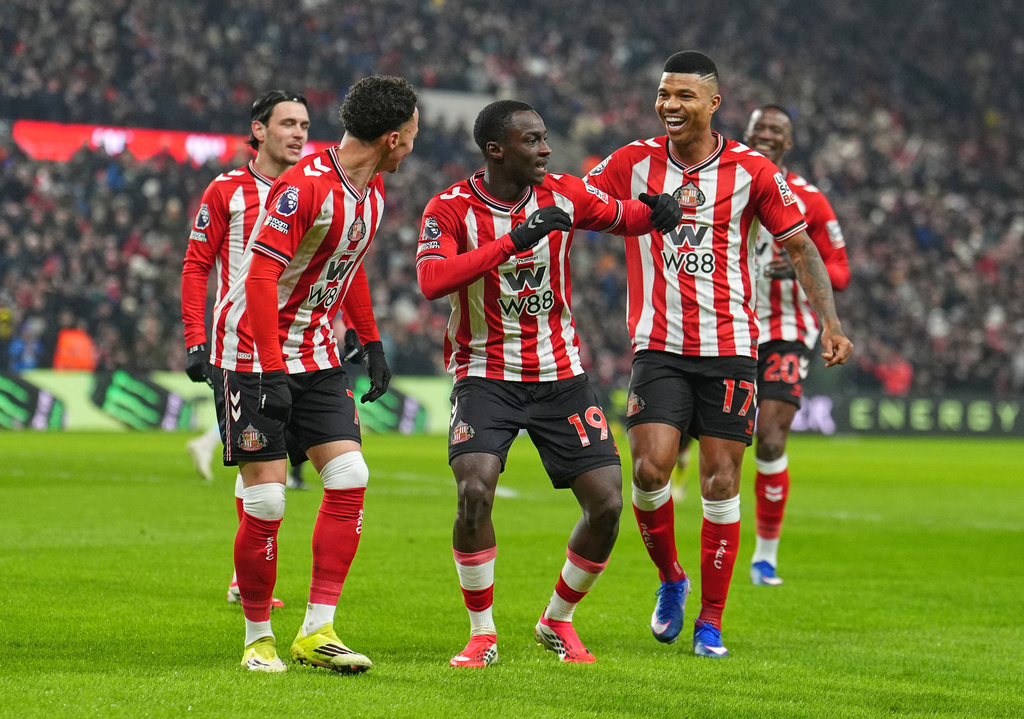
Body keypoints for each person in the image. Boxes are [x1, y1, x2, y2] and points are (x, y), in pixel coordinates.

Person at [586, 51, 853, 657]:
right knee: (649, 471)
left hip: (731, 349)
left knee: (720, 480)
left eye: (684, 95)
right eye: (664, 94)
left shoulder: (753, 171)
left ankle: (711, 620)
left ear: (713, 103)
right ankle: (671, 578)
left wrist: (830, 324)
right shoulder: (631, 161)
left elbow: (803, 248)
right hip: (659, 346)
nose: (670, 105)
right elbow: (577, 197)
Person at [416, 100, 681, 667]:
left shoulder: (563, 192)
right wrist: (514, 241)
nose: (546, 149)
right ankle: (482, 634)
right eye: (533, 140)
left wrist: (658, 210)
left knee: (608, 504)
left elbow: (622, 217)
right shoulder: (450, 208)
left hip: (561, 375)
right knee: (474, 493)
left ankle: (557, 620)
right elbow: (432, 280)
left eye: (544, 138)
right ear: (497, 151)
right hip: (485, 374)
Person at [211, 75, 417, 673]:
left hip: (319, 352)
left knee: (350, 474)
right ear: (392, 137)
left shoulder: (371, 191)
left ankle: (317, 631)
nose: (412, 145)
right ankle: (258, 640)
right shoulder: (306, 187)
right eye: (411, 135)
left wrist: (372, 342)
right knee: (267, 500)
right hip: (252, 352)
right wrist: (272, 371)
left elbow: (348, 267)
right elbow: (258, 277)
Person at [181, 90, 310, 610]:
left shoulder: (313, 189)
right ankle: (246, 580)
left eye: (305, 125)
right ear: (259, 130)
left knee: (276, 469)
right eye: (288, 123)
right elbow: (197, 265)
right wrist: (195, 338)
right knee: (261, 471)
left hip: (302, 349)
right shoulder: (226, 190)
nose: (299, 133)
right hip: (241, 349)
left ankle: (244, 577)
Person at [744, 104, 850, 586]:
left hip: (787, 328)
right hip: (729, 323)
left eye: (776, 130)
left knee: (770, 437)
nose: (766, 134)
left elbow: (840, 270)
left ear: (788, 143)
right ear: (747, 134)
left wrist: (800, 265)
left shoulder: (810, 199)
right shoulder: (723, 183)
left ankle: (765, 556)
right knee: (713, 440)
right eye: (759, 127)